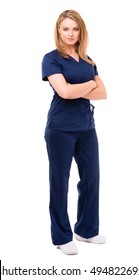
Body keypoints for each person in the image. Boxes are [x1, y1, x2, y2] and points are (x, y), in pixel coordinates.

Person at [41, 9, 107, 255]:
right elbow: (64, 93)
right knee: (59, 182)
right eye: (65, 28)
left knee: (92, 179)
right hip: (60, 129)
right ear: (58, 31)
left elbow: (103, 93)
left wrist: (79, 87)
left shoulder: (88, 60)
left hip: (87, 128)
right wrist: (90, 84)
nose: (70, 33)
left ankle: (86, 230)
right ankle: (61, 236)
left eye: (75, 28)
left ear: (81, 31)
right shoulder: (51, 59)